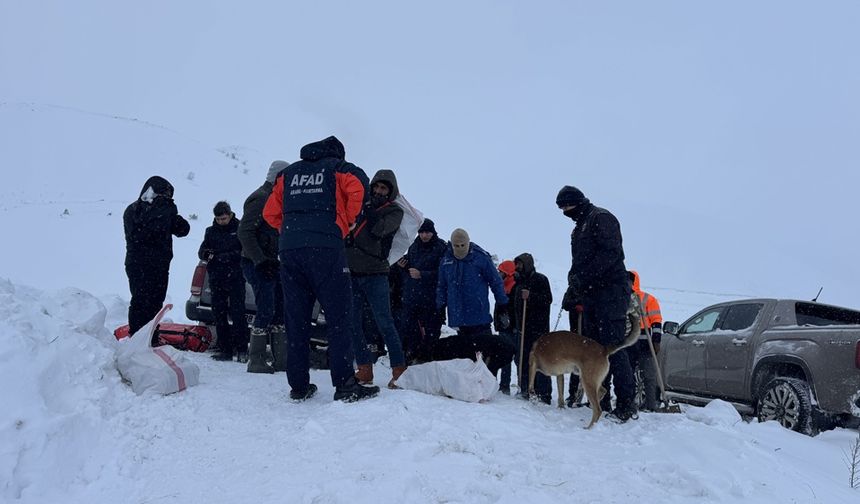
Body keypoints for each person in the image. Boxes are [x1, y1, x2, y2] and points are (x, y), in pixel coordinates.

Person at [263, 135, 380, 402]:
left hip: (290, 251)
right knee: (339, 317)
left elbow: (270, 214)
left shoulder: (288, 174)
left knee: (296, 319)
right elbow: (359, 189)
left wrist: (290, 231)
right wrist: (346, 223)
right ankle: (345, 385)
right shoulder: (339, 169)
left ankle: (299, 386)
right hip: (326, 249)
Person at [556, 185, 636, 422]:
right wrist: (574, 283)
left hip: (610, 292)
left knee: (613, 347)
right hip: (591, 294)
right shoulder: (579, 227)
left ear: (577, 202)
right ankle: (601, 399)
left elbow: (610, 255)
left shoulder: (601, 218)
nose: (564, 211)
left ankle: (626, 404)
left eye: (566, 206)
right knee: (593, 350)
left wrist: (585, 277)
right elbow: (580, 261)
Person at [346, 169, 407, 388]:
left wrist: (369, 212)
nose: (379, 191)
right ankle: (364, 369)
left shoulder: (394, 211)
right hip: (353, 273)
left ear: (390, 192)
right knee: (353, 323)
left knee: (385, 323)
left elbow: (380, 230)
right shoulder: (361, 206)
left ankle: (399, 370)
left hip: (376, 274)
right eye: (376, 187)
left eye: (384, 188)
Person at [238, 161, 290, 374]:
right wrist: (260, 260)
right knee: (267, 307)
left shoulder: (277, 198)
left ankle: (281, 359)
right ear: (278, 177)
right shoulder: (260, 198)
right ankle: (256, 360)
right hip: (257, 263)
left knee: (279, 308)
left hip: (273, 263)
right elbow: (245, 232)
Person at [123, 176, 190, 335]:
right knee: (153, 303)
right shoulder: (164, 210)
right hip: (156, 264)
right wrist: (170, 210)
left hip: (135, 263)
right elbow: (183, 229)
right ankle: (149, 336)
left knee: (138, 301)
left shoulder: (131, 210)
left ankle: (137, 334)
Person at [199, 201, 248, 362]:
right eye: (219, 219)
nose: (222, 221)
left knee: (238, 313)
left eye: (224, 218)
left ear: (230, 215)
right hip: (216, 278)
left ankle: (242, 349)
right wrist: (207, 254)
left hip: (235, 277)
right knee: (219, 314)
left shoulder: (240, 228)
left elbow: (243, 251)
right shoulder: (211, 231)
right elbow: (202, 251)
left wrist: (225, 256)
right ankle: (225, 349)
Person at [437, 229, 508, 337]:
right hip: (458, 317)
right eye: (456, 245)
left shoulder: (481, 258)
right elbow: (442, 286)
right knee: (465, 352)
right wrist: (440, 306)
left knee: (485, 348)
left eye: (462, 245)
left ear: (468, 242)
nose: (460, 248)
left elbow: (496, 282)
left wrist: (502, 303)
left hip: (479, 316)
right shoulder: (446, 261)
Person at [398, 218, 447, 363]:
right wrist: (404, 267)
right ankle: (412, 359)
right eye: (421, 232)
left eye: (427, 232)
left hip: (432, 300)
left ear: (433, 232)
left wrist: (423, 275)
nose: (424, 235)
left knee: (431, 335)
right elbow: (410, 270)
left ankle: (427, 361)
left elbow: (443, 274)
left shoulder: (441, 247)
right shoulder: (414, 247)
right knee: (410, 332)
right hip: (412, 299)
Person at [511, 253, 553, 403]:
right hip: (522, 329)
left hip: (538, 329)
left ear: (527, 264)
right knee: (523, 360)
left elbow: (547, 299)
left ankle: (544, 393)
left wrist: (531, 296)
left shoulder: (540, 280)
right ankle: (525, 389)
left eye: (520, 264)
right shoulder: (519, 282)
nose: (517, 267)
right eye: (517, 264)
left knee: (540, 361)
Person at [627, 270, 663, 411]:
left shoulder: (648, 299)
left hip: (645, 342)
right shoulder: (623, 297)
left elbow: (656, 320)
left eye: (630, 280)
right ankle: (629, 401)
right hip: (630, 341)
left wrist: (656, 340)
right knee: (629, 374)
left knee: (648, 374)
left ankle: (650, 404)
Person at [493, 260, 517, 394]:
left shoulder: (512, 287)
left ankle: (505, 385)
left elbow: (511, 310)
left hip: (508, 328)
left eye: (501, 271)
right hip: (503, 326)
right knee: (502, 355)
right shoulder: (503, 286)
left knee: (506, 356)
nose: (498, 274)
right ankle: (503, 384)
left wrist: (508, 322)